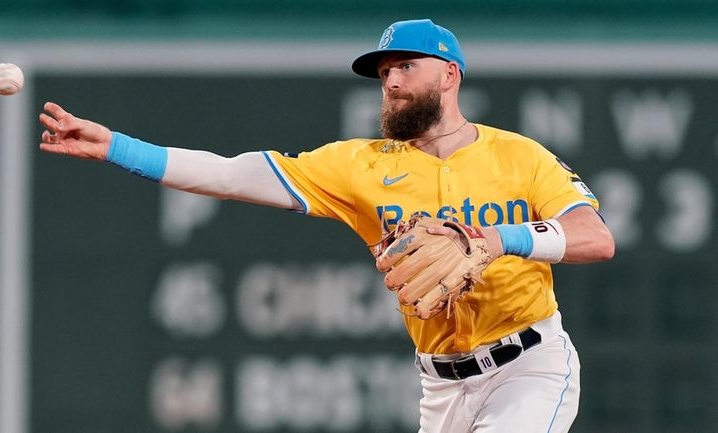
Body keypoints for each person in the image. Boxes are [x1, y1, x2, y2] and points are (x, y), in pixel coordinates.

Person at [38, 18, 614, 433]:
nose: (390, 82)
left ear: (450, 74)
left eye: (406, 67)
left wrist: (496, 239)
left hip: (528, 366)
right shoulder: (361, 166)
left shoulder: (520, 157)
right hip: (440, 387)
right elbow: (231, 176)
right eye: (384, 72)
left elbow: (596, 238)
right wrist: (117, 147)